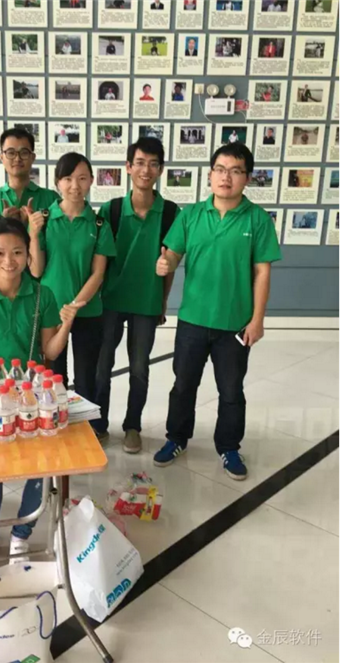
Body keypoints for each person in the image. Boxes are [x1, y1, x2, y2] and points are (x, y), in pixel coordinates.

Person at [0, 217, 84, 579]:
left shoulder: (43, 295)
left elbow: (50, 351)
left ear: (28, 255)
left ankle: (22, 535)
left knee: (43, 461)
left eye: (17, 252)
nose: (9, 261)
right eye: (0, 253)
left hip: (31, 396)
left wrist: (67, 324)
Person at [154, 143, 282, 480]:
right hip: (193, 320)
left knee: (231, 391)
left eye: (236, 171)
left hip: (235, 324)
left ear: (247, 178)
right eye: (221, 170)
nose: (227, 177)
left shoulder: (257, 220)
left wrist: (257, 320)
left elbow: (262, 272)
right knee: (183, 385)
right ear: (210, 175)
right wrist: (166, 263)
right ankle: (176, 438)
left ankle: (229, 447)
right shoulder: (191, 215)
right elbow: (173, 254)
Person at [93, 137, 179, 453]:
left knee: (140, 368)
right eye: (140, 163)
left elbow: (169, 264)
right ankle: (99, 424)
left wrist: (163, 301)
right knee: (102, 367)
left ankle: (133, 426)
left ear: (161, 170)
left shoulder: (170, 213)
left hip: (146, 302)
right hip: (111, 301)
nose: (146, 170)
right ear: (128, 167)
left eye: (153, 164)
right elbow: (98, 260)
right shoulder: (112, 210)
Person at [29, 153, 116, 402]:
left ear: (91, 181)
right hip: (50, 310)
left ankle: (88, 423)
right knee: (54, 378)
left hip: (87, 311)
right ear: (57, 182)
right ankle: (57, 423)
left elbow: (98, 273)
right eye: (67, 178)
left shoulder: (99, 224)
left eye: (82, 178)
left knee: (87, 379)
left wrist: (74, 306)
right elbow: (36, 271)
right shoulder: (43, 220)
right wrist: (33, 234)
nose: (75, 186)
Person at [0, 128, 59, 223]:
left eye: (24, 153)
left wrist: (32, 225)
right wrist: (3, 223)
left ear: (32, 157)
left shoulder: (51, 198)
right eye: (11, 153)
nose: (17, 159)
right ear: (1, 158)